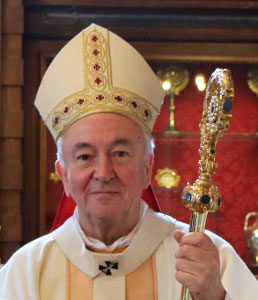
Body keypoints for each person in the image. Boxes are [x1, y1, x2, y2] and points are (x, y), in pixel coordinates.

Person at [0, 24, 257, 300]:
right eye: (85, 156)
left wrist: (215, 295)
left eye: (120, 153)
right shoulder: (26, 271)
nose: (103, 172)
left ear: (148, 167)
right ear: (63, 175)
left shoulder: (208, 259)